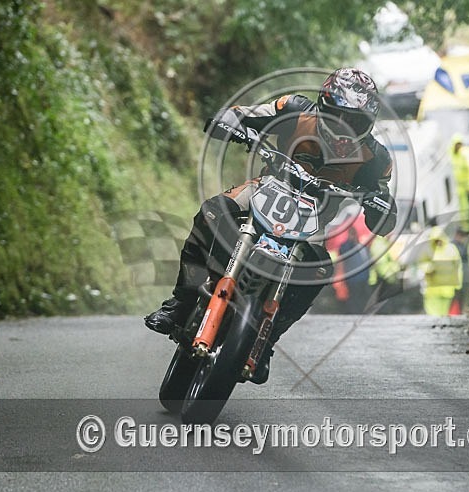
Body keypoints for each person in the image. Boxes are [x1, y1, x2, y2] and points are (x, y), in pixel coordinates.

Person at [144, 68, 397, 383]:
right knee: (213, 211)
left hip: (314, 220)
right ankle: (181, 302)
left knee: (320, 270)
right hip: (266, 189)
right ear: (322, 106)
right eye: (336, 117)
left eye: (354, 121)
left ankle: (265, 342)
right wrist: (231, 123)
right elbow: (243, 114)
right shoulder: (294, 109)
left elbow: (385, 210)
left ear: (368, 124)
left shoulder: (376, 158)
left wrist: (380, 206)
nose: (343, 128)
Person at [418, 227, 462, 316]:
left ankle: (440, 327)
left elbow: (458, 267)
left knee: (443, 312)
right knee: (432, 312)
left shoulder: (451, 249)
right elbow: (422, 264)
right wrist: (430, 268)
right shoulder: (428, 249)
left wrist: (458, 284)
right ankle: (433, 327)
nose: (438, 242)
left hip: (447, 287)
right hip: (432, 288)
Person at [337, 227, 372, 314]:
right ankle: (354, 312)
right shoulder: (347, 247)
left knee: (362, 296)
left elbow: (366, 260)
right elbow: (343, 251)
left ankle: (362, 312)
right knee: (354, 297)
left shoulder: (361, 246)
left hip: (364, 277)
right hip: (352, 278)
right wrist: (350, 241)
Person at [449, 134, 469, 232]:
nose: (459, 146)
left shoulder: (462, 157)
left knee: (465, 211)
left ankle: (466, 230)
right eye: (457, 144)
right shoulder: (449, 157)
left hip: (462, 189)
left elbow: (468, 172)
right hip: (452, 190)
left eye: (460, 144)